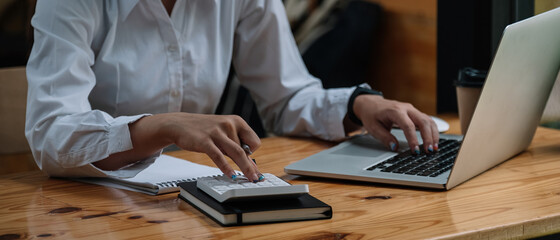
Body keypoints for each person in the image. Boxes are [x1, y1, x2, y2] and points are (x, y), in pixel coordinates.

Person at [25, 0, 439, 183]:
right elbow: (50, 133)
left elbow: (287, 98)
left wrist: (357, 103)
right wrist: (162, 126)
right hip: (91, 206)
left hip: (199, 195)